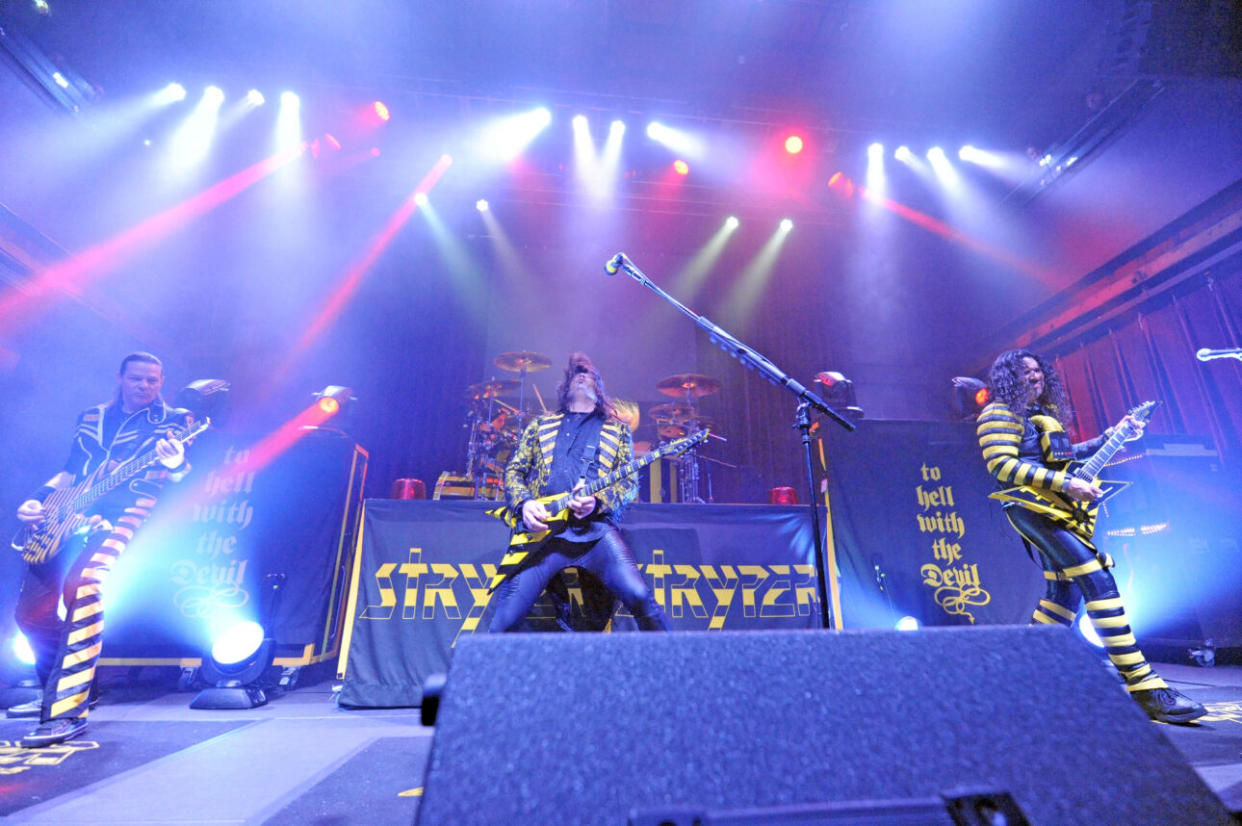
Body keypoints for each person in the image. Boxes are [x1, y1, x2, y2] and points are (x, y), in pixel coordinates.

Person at [976, 349, 1205, 723]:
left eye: (1038, 371)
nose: (1034, 378)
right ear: (1008, 379)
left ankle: (1020, 676)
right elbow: (1002, 465)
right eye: (1025, 373)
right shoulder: (999, 413)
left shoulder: (1043, 417)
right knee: (1097, 577)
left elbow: (1067, 457)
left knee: (1063, 592)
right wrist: (1064, 482)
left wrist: (1111, 437)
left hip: (1057, 506)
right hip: (1031, 508)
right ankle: (1144, 686)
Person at [9, 352, 192, 747]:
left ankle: (66, 712)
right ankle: (72, 688)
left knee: (85, 585)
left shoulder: (175, 421)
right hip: (67, 511)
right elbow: (70, 470)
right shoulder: (90, 417)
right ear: (121, 377)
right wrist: (38, 499)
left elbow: (182, 472)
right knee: (31, 613)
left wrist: (176, 463)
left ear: (162, 382)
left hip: (129, 512)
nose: (145, 386)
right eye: (138, 379)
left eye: (154, 380)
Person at [488, 352, 670, 633]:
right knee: (505, 620)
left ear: (599, 388)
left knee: (640, 597)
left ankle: (680, 668)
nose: (582, 375)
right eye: (576, 373)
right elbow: (514, 471)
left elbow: (628, 484)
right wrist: (524, 504)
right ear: (565, 387)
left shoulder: (617, 430)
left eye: (588, 374)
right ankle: (482, 676)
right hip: (543, 535)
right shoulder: (540, 425)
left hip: (594, 533)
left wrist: (597, 502)